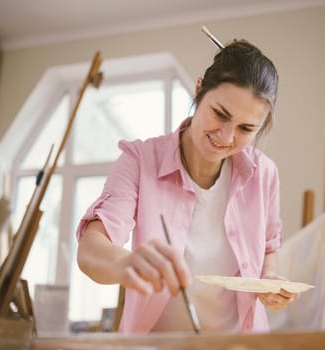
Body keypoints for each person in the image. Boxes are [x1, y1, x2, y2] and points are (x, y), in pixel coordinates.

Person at [75, 39, 298, 334]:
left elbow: (269, 246)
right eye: (220, 114)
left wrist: (269, 279)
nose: (227, 137)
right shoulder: (140, 161)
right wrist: (126, 263)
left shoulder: (264, 174)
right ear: (198, 89)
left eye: (246, 129)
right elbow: (91, 250)